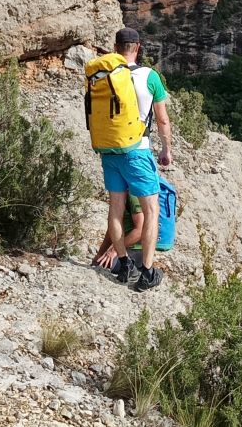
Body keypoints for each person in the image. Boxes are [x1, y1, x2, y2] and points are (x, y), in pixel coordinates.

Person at [90, 27, 172, 290]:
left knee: (115, 208)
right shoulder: (150, 76)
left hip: (109, 150)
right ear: (137, 47)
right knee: (151, 211)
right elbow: (162, 119)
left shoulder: (105, 74)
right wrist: (166, 150)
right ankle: (147, 272)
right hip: (137, 150)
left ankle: (124, 264)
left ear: (116, 48)